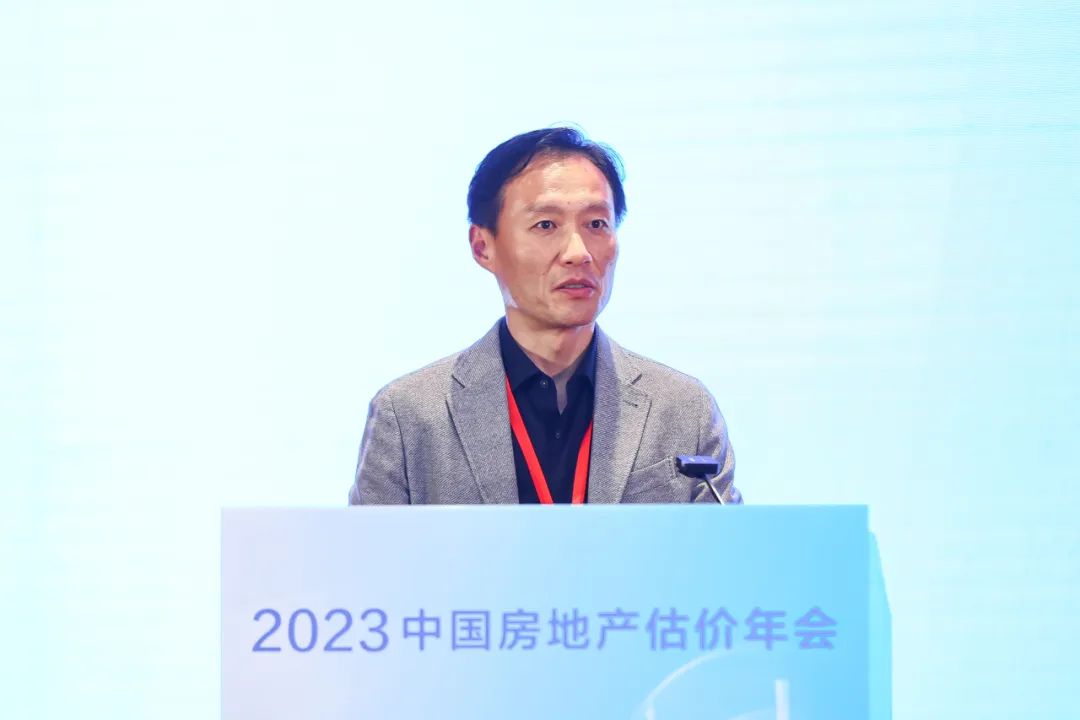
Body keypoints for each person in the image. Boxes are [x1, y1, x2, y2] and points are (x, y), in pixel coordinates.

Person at [349, 127, 741, 505]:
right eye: (546, 225)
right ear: (483, 247)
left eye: (596, 224)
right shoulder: (409, 416)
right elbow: (369, 551)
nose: (578, 252)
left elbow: (725, 548)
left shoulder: (683, 409)